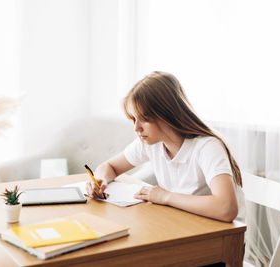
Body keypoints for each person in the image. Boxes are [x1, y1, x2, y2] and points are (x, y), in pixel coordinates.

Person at [86, 71, 241, 223]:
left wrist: (165, 197)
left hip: (219, 234)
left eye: (144, 119)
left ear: (168, 114)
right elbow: (109, 166)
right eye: (134, 119)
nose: (136, 128)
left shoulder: (207, 147)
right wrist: (100, 180)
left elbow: (226, 208)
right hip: (180, 222)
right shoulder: (151, 143)